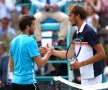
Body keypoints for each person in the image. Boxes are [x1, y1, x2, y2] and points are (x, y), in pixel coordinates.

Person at [41, 5, 106, 85]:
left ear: (78, 16)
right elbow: (69, 54)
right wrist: (51, 51)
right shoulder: (76, 33)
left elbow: (102, 54)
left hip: (93, 76)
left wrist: (81, 64)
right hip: (85, 75)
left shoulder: (89, 32)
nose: (69, 18)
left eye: (70, 15)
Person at [9, 15, 53, 90]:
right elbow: (40, 64)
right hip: (28, 84)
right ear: (27, 27)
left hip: (15, 83)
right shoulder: (31, 41)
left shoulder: (13, 41)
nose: (35, 27)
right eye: (33, 25)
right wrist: (50, 52)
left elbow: (11, 65)